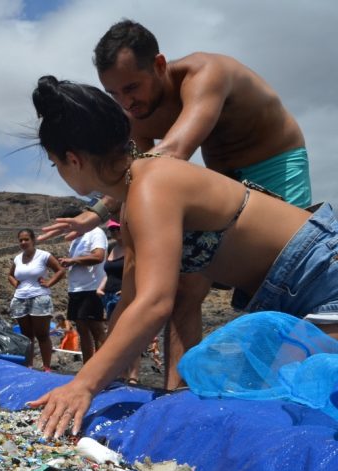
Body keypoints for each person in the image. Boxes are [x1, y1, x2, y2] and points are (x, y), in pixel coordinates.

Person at [27, 75, 338, 439]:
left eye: (55, 164)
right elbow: (129, 302)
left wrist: (84, 386)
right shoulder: (134, 202)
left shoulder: (152, 186)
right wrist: (94, 376)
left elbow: (156, 302)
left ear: (73, 159)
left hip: (322, 274)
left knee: (311, 411)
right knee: (283, 418)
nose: (59, 173)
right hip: (289, 294)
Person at [43, 19, 312, 389]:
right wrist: (96, 214)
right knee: (183, 287)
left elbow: (167, 156)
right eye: (114, 94)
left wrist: (85, 384)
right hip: (224, 181)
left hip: (274, 165)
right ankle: (177, 388)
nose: (126, 103)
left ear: (159, 65)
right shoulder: (138, 113)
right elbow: (126, 173)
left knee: (277, 291)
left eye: (132, 87)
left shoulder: (206, 74)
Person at [7, 228, 65, 371]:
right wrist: (15, 284)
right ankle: (29, 366)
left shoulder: (43, 255)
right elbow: (10, 275)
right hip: (20, 299)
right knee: (27, 336)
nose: (23, 242)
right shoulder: (17, 258)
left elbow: (60, 270)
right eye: (21, 240)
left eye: (26, 239)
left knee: (42, 334)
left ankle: (46, 367)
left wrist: (49, 283)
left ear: (33, 240)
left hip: (39, 297)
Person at [58, 206, 107, 362]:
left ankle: (102, 369)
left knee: (96, 330)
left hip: (91, 288)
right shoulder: (76, 239)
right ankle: (88, 367)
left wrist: (73, 260)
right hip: (76, 289)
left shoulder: (96, 233)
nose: (67, 230)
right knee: (82, 330)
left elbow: (98, 256)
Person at [97, 220, 143, 384]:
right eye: (111, 230)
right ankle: (122, 372)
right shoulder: (112, 248)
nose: (114, 232)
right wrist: (100, 288)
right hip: (108, 295)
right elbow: (108, 273)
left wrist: (129, 290)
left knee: (131, 334)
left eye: (117, 229)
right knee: (115, 336)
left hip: (125, 296)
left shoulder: (134, 249)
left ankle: (134, 374)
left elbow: (142, 271)